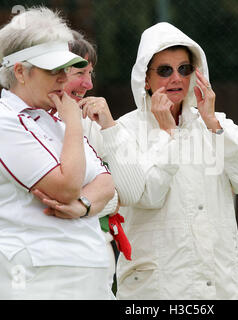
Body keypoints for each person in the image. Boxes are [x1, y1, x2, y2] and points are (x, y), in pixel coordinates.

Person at [81, 22, 238, 299]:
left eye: (184, 69)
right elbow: (149, 195)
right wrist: (167, 134)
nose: (176, 78)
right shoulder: (123, 130)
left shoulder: (214, 123)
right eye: (165, 70)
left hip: (224, 285)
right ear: (146, 78)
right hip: (162, 289)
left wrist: (212, 123)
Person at [0, 7, 116, 300]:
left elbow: (107, 184)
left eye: (66, 68)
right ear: (21, 72)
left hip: (89, 272)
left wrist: (83, 206)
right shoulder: (1, 125)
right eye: (54, 69)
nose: (64, 78)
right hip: (35, 279)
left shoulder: (57, 116)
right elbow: (66, 186)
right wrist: (75, 126)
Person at [62, 30, 145, 290]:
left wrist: (109, 127)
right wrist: (101, 197)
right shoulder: (26, 124)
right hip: (51, 260)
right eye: (79, 74)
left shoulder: (92, 123)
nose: (88, 85)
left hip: (98, 256)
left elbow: (131, 193)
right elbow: (59, 197)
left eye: (90, 74)